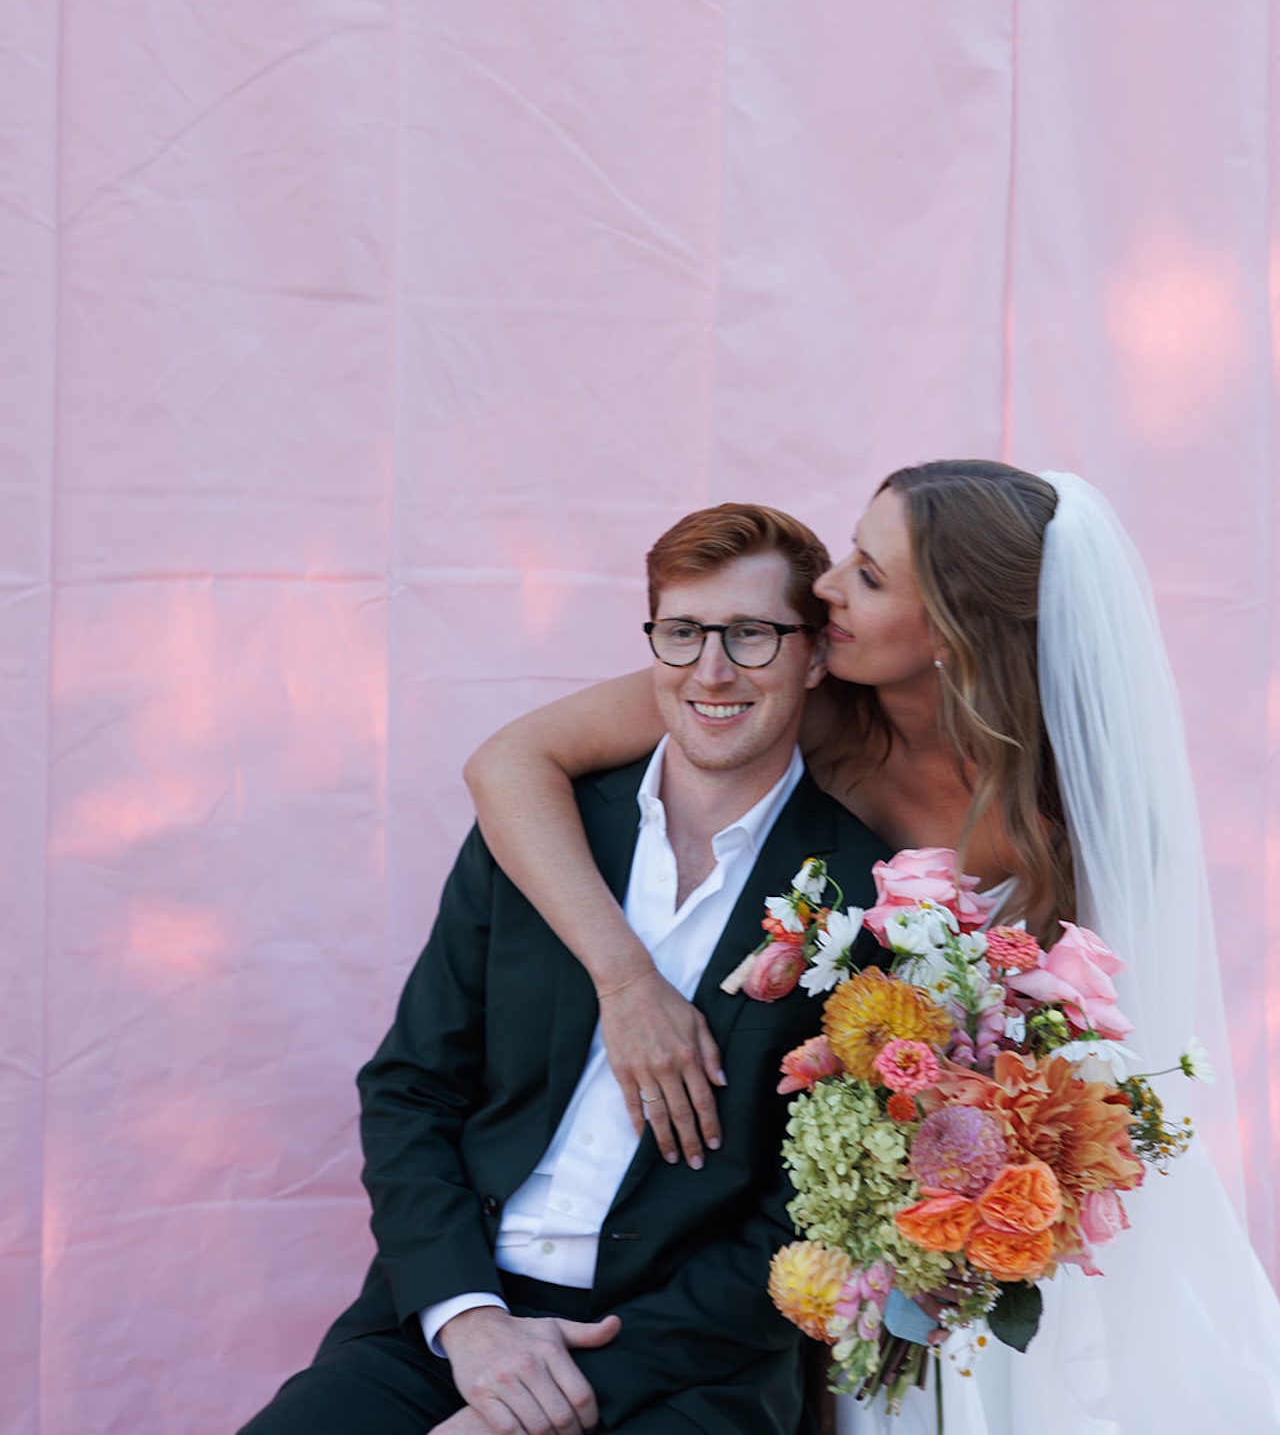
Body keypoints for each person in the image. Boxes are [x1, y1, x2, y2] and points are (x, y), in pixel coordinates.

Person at [465, 461, 1280, 1433]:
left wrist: (967, 1192)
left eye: (867, 575)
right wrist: (624, 978)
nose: (823, 588)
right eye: (849, 553)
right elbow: (506, 761)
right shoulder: (791, 704)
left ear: (951, 629)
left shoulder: (1071, 812)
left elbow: (1089, 1039)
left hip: (971, 1195)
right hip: (783, 1179)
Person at [236, 503, 889, 1435]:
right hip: (453, 1315)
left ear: (815, 656)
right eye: (682, 632)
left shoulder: (865, 898)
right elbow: (410, 1089)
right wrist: (468, 1323)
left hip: (682, 1367)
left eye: (751, 635)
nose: (711, 669)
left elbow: (803, 1222)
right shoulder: (545, 831)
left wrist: (548, 1397)